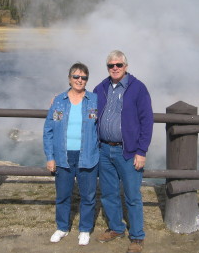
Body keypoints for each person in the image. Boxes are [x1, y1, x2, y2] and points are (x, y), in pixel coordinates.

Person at [94, 50, 153, 253]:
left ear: (126, 67)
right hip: (103, 150)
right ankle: (116, 229)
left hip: (127, 151)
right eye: (111, 65)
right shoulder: (100, 87)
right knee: (109, 193)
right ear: (108, 67)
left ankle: (137, 237)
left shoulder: (138, 88)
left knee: (132, 196)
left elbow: (147, 121)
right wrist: (60, 100)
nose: (115, 68)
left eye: (119, 65)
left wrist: (141, 151)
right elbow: (87, 107)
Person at [43, 62, 99, 246]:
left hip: (88, 156)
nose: (79, 80)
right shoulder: (59, 101)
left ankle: (84, 229)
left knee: (88, 196)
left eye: (83, 77)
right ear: (69, 79)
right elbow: (48, 130)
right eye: (76, 76)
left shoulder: (95, 100)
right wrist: (50, 157)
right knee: (63, 195)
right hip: (63, 156)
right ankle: (62, 227)